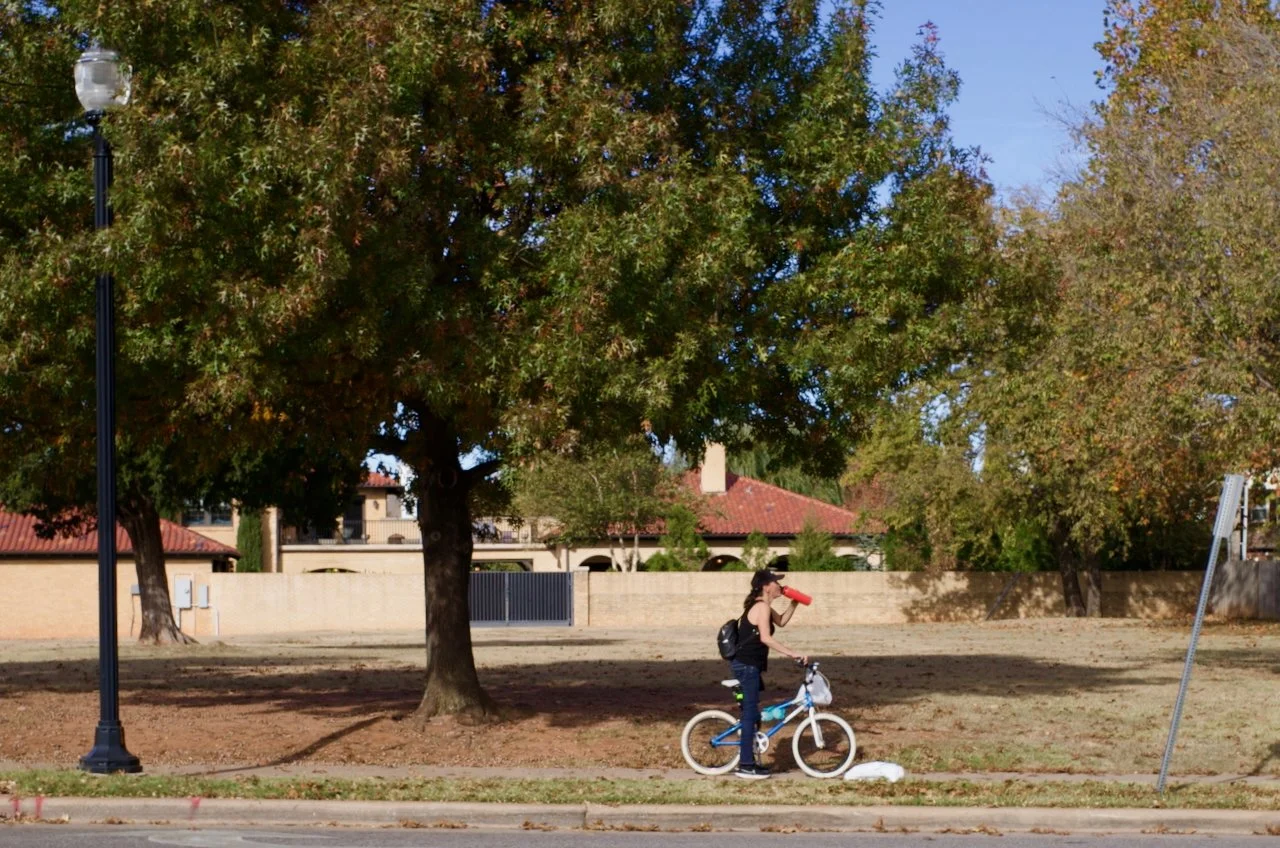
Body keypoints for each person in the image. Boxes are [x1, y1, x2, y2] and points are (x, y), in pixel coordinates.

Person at [730, 569, 807, 780]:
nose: (779, 585)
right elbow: (766, 638)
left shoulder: (765, 607)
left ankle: (751, 760)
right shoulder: (761, 607)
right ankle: (745, 764)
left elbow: (781, 621)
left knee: (752, 713)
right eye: (776, 582)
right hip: (746, 666)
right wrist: (793, 653)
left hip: (749, 666)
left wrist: (795, 602)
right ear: (766, 586)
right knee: (749, 715)